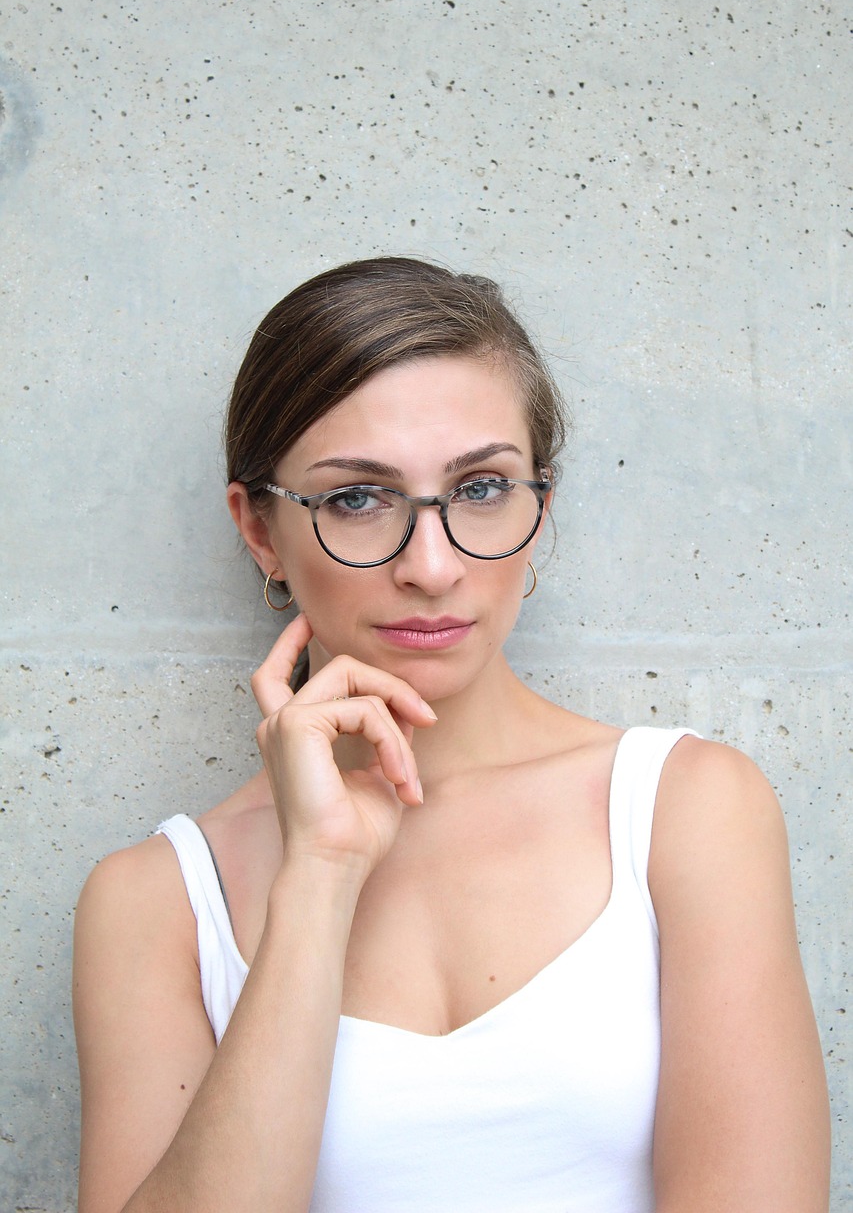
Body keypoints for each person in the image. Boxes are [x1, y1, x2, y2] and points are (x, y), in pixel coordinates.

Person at [73, 256, 830, 1213]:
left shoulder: (685, 809)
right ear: (259, 530)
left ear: (540, 506)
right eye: (356, 497)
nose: (430, 567)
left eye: (480, 489)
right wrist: (319, 879)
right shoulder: (158, 903)